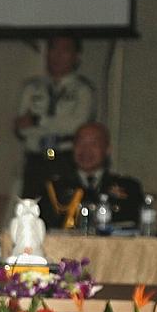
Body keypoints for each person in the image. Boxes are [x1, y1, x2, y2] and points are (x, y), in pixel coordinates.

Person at [14, 35, 96, 196]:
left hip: (65, 158)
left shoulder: (83, 90)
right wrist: (53, 125)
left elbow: (77, 125)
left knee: (64, 208)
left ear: (76, 56)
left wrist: (39, 121)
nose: (57, 56)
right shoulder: (32, 87)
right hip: (36, 157)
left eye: (64, 50)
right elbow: (23, 127)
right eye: (53, 49)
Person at [35, 121, 144, 228]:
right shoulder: (55, 188)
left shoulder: (128, 187)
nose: (86, 150)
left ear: (107, 150)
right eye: (80, 143)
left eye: (94, 143)